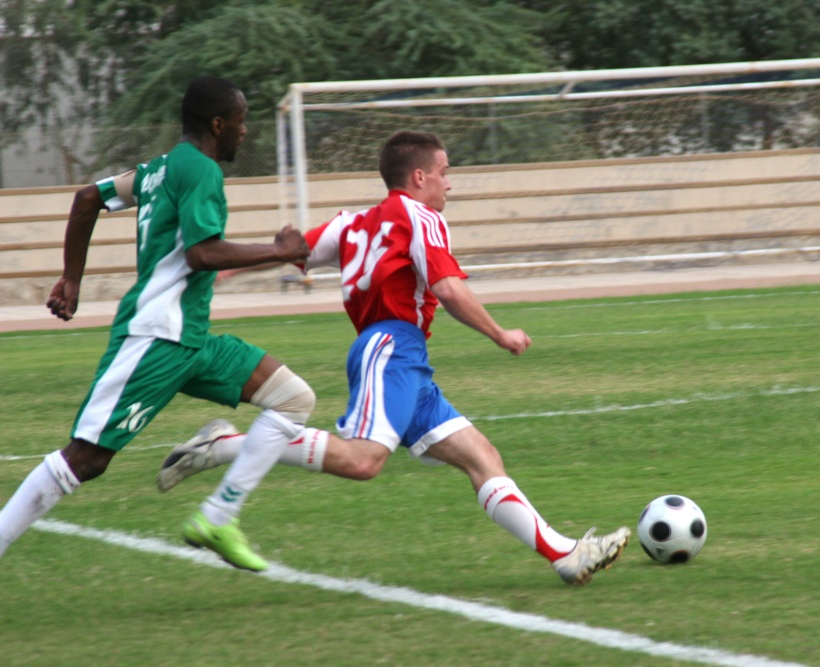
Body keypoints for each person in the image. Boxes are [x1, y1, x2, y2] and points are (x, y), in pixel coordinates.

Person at [157, 130, 631, 585]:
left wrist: (214, 278)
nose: (450, 182)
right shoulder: (421, 218)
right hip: (390, 348)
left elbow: (289, 252)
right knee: (363, 462)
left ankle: (565, 555)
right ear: (419, 177)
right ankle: (224, 445)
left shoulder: (351, 223)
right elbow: (447, 288)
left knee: (481, 457)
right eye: (444, 171)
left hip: (404, 359)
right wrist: (499, 333)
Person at [0, 77, 316, 573]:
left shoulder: (158, 169)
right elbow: (201, 253)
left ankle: (218, 515)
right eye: (240, 121)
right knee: (85, 459)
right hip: (157, 339)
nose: (245, 131)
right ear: (218, 125)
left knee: (294, 399)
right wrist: (278, 251)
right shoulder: (201, 171)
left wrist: (71, 279)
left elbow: (88, 199)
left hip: (191, 340)